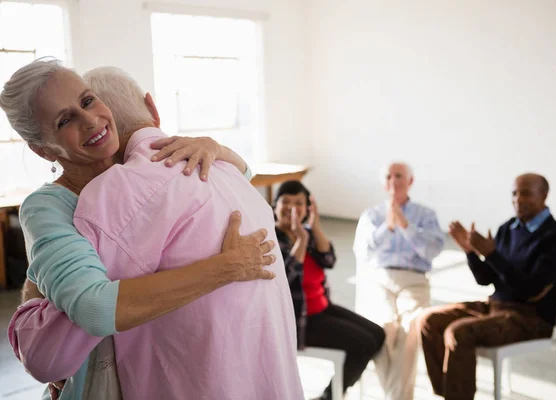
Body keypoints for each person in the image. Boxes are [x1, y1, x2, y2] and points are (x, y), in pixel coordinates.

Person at [3, 60, 303, 399]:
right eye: (65, 120)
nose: (90, 121)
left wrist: (216, 148)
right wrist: (225, 268)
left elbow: (235, 182)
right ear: (43, 149)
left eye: (88, 101)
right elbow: (76, 316)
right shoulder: (50, 207)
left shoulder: (150, 176)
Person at [419, 173, 556, 400]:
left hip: (532, 319)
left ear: (544, 195)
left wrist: (491, 253)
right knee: (429, 321)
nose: (518, 199)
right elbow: (485, 279)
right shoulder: (507, 229)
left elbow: (531, 290)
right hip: (495, 307)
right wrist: (471, 252)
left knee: (458, 332)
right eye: (514, 193)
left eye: (526, 193)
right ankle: (448, 395)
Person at [274, 180, 385, 400]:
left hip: (322, 308)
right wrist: (302, 241)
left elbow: (329, 259)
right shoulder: (270, 237)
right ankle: (328, 397)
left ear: (308, 209)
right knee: (364, 343)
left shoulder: (306, 232)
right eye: (285, 201)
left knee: (378, 335)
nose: (291, 207)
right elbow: (284, 277)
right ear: (274, 205)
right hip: (299, 321)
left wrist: (314, 227)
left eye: (299, 203)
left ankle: (331, 393)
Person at [353, 162, 444, 400]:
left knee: (411, 328)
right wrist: (388, 227)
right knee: (384, 327)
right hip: (379, 279)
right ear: (384, 183)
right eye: (389, 177)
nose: (394, 181)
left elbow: (433, 250)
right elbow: (363, 252)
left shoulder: (425, 214)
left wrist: (405, 225)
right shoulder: (372, 215)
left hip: (414, 280)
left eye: (399, 176)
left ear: (410, 181)